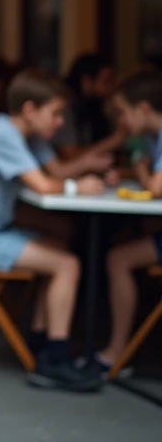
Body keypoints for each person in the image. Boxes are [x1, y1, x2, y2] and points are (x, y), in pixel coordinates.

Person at [0, 69, 106, 392]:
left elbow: (58, 171)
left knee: (59, 245)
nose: (60, 122)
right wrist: (79, 187)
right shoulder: (4, 136)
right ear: (31, 110)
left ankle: (40, 341)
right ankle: (55, 360)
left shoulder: (22, 135)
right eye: (56, 113)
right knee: (67, 264)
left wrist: (88, 170)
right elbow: (46, 185)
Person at [94, 69, 162, 377]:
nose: (121, 121)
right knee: (123, 247)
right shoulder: (152, 137)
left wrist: (139, 165)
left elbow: (157, 187)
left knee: (118, 258)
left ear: (144, 108)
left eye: (123, 112)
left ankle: (116, 352)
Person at [55, 53, 122, 161]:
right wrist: (116, 139)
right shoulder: (64, 108)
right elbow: (70, 155)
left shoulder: (93, 106)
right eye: (106, 81)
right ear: (86, 81)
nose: (110, 87)